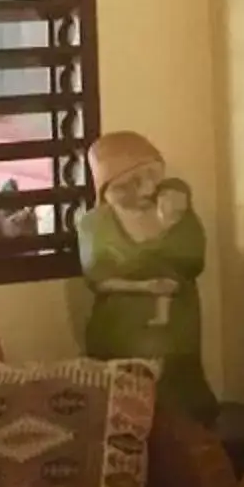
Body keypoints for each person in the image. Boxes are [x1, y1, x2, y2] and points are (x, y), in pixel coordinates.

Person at [77, 130, 216, 419]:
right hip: (122, 325)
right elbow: (98, 277)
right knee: (127, 389)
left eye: (152, 177)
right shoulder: (95, 224)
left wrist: (170, 224)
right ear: (106, 188)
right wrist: (146, 283)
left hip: (179, 323)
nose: (145, 190)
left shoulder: (174, 209)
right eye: (129, 185)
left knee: (179, 388)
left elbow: (193, 258)